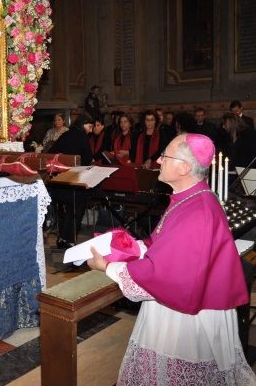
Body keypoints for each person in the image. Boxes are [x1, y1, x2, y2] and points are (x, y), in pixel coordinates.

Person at [87, 133, 255, 385]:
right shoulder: (189, 197)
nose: (158, 159)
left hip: (187, 317)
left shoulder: (197, 210)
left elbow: (163, 275)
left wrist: (108, 266)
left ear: (185, 167)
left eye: (165, 155)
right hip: (187, 305)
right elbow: (163, 244)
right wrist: (131, 246)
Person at [48, 114, 93, 248]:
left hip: (60, 181)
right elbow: (86, 159)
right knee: (76, 210)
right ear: (83, 124)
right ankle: (70, 240)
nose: (90, 130)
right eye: (89, 126)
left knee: (63, 211)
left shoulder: (66, 134)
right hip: (75, 181)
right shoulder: (82, 137)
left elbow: (51, 152)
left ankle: (61, 238)